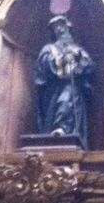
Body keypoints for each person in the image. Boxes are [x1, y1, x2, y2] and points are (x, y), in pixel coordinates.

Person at [34, 15, 94, 146]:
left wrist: (79, 63)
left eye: (62, 25)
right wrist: (64, 59)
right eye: (56, 27)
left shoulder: (78, 49)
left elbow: (89, 67)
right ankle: (59, 129)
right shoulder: (49, 49)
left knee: (67, 98)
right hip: (53, 90)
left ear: (68, 27)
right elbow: (44, 66)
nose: (59, 29)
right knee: (63, 99)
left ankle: (63, 129)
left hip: (72, 86)